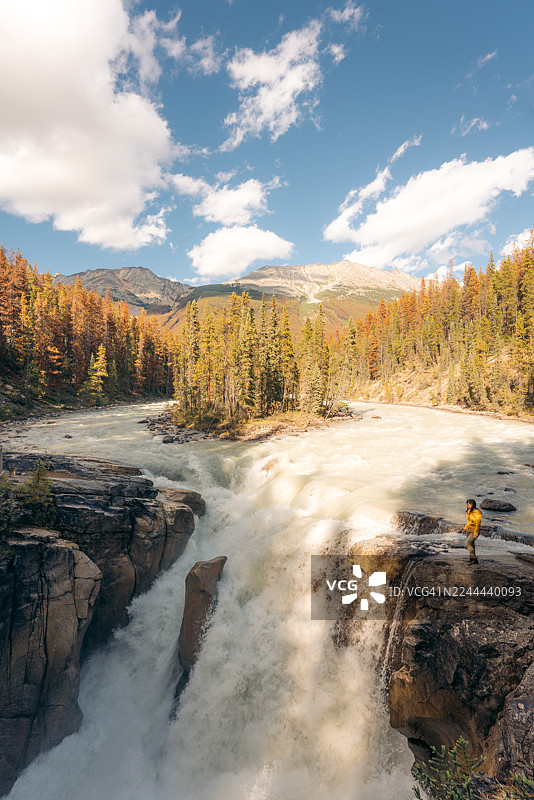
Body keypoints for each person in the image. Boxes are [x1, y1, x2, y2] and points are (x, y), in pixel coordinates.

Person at [464, 499, 482, 564]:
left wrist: (476, 533)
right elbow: (468, 521)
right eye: (467, 504)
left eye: (468, 503)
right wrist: (465, 528)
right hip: (468, 530)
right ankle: (471, 558)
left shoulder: (477, 512)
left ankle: (475, 559)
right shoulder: (468, 511)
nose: (467, 505)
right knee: (472, 544)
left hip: (474, 531)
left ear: (472, 504)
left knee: (467, 544)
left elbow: (478, 524)